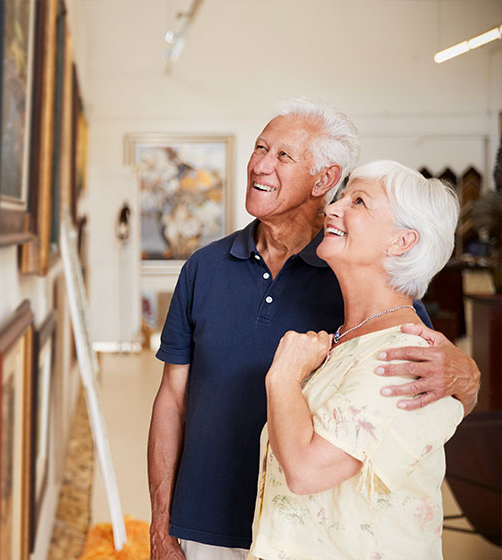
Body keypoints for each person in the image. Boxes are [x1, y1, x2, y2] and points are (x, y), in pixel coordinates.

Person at [147, 98, 481, 560]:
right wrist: (161, 526)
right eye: (260, 148)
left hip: (303, 538)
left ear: (323, 179)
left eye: (283, 155)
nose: (260, 164)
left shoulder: (360, 283)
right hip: (205, 525)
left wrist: (469, 375)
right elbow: (171, 398)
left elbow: (425, 379)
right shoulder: (204, 267)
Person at [247, 160, 463, 559]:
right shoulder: (345, 342)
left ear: (401, 242)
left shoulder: (404, 357)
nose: (332, 207)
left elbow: (306, 470)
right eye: (342, 196)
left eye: (359, 201)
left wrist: (283, 376)